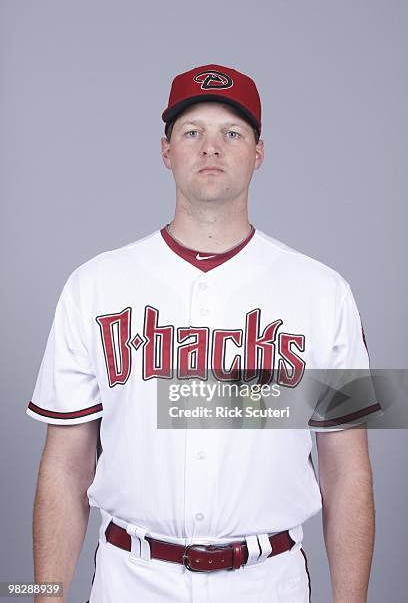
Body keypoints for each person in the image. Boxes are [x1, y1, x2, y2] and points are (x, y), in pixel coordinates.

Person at [27, 64, 381, 603]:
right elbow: (65, 465)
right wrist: (45, 596)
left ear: (258, 154)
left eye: (231, 133)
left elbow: (347, 470)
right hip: (132, 579)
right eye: (192, 132)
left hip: (270, 582)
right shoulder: (92, 285)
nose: (211, 147)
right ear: (166, 151)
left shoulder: (325, 291)